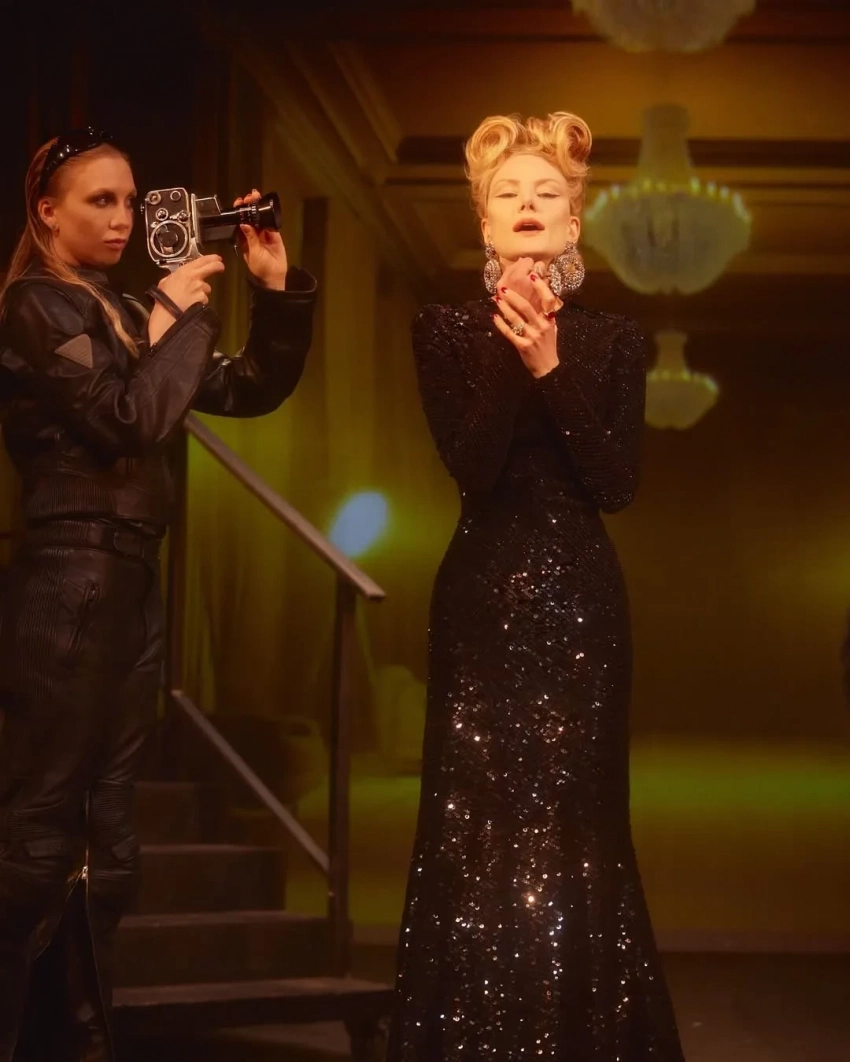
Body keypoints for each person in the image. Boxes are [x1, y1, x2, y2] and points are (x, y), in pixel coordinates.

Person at [0, 127, 316, 1061]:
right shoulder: (34, 304)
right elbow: (128, 419)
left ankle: (81, 1039)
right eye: (99, 200)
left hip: (131, 578)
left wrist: (274, 294)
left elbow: (249, 389)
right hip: (69, 576)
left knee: (112, 838)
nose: (122, 217)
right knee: (38, 830)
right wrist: (178, 316)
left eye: (130, 200)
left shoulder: (132, 308)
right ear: (47, 211)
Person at [387, 112, 685, 1060]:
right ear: (483, 223)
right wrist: (514, 356)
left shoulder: (615, 341)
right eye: (507, 193)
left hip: (582, 606)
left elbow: (616, 484)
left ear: (572, 222)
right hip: (480, 601)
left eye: (545, 193)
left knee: (578, 829)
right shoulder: (443, 330)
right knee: (473, 829)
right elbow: (473, 466)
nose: (526, 204)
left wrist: (550, 363)